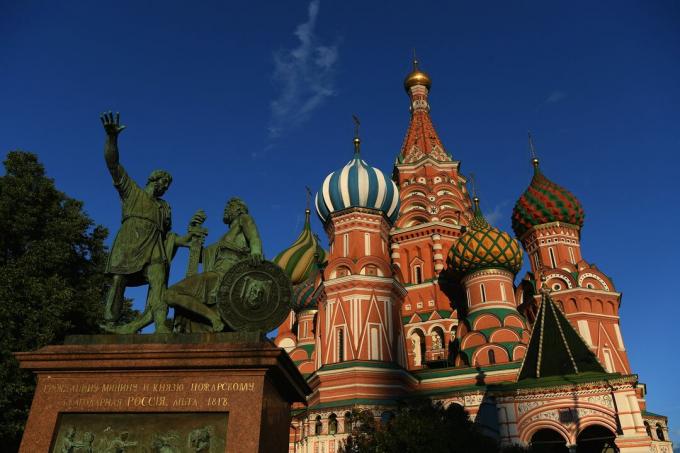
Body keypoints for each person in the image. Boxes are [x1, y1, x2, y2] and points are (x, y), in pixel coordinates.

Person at [100, 112, 199, 334]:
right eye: (163, 182)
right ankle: (110, 322)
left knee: (158, 282)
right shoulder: (132, 192)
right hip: (129, 241)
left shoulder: (164, 207)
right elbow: (113, 164)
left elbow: (168, 238)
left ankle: (160, 323)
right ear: (153, 179)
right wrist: (112, 138)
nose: (165, 187)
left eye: (167, 185)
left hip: (154, 248)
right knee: (119, 280)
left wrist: (187, 239)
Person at [169, 197, 263, 332]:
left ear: (238, 209)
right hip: (216, 274)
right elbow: (202, 256)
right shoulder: (225, 238)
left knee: (172, 293)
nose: (225, 210)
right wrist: (194, 232)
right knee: (171, 295)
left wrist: (256, 250)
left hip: (225, 276)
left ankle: (214, 318)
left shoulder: (244, 218)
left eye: (229, 207)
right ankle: (213, 317)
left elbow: (254, 237)